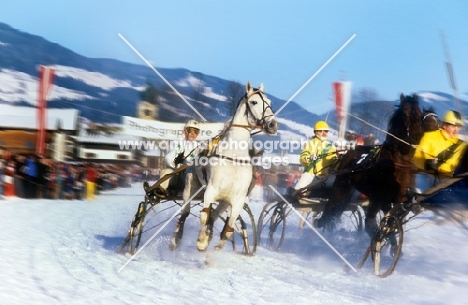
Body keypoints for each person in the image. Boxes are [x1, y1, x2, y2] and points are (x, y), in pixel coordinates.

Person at [144, 119, 202, 198]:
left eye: (196, 131)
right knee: (166, 171)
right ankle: (159, 190)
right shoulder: (176, 143)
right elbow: (169, 157)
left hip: (189, 180)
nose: (193, 133)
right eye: (190, 130)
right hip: (175, 176)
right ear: (185, 131)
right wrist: (175, 163)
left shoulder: (199, 148)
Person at [413, 110, 467, 178]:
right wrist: (427, 164)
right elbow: (417, 159)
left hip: (453, 181)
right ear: (444, 125)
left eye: (458, 127)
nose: (456, 130)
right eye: (453, 126)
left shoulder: (463, 145)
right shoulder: (430, 137)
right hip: (430, 177)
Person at [293, 120, 338, 196]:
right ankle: (295, 195)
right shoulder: (309, 144)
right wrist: (310, 158)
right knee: (300, 188)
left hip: (324, 176)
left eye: (326, 131)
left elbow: (334, 162)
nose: (324, 133)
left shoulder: (330, 147)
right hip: (311, 174)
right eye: (321, 131)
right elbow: (302, 158)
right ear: (315, 132)